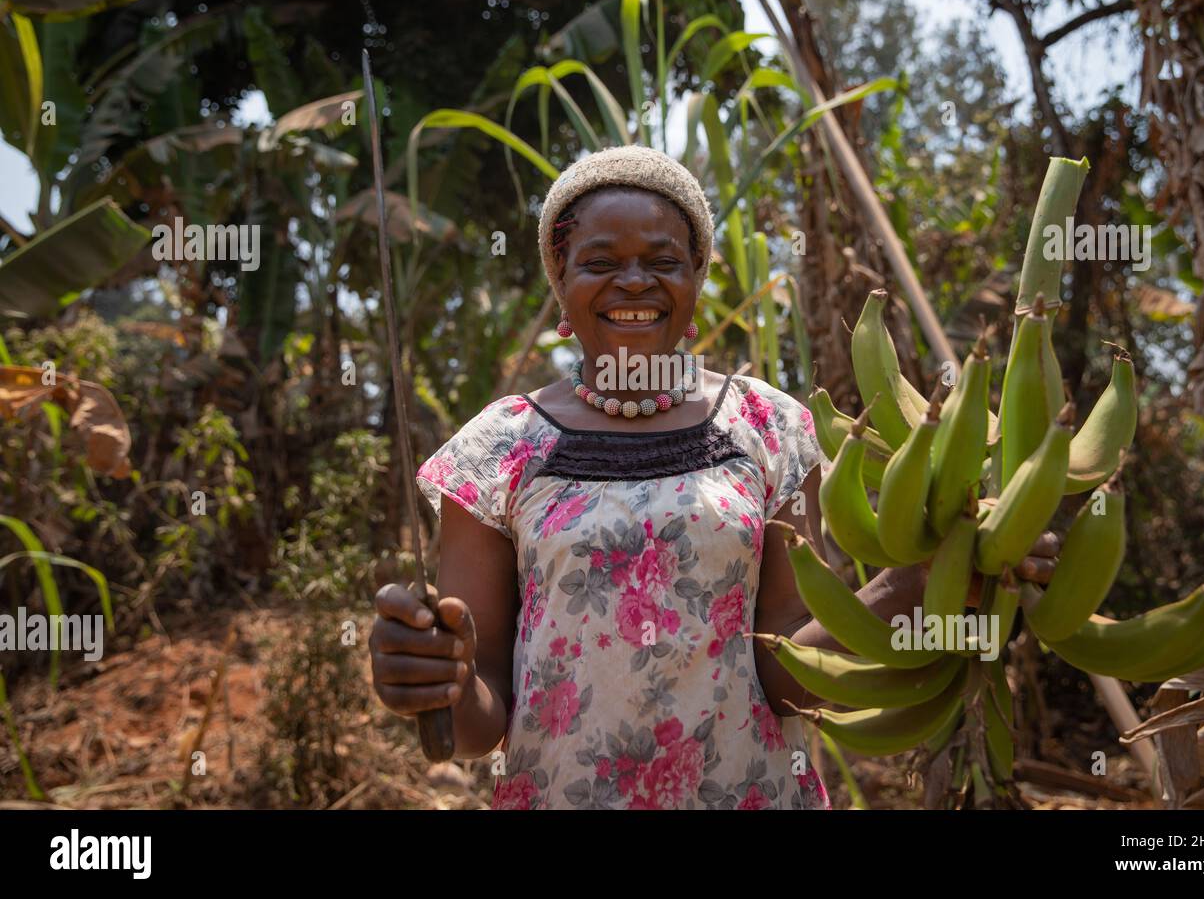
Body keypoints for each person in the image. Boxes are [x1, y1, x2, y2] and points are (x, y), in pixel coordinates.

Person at [368, 145, 1059, 809]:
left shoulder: (768, 425)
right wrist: (439, 681)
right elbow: (478, 720)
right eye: (599, 262)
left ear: (696, 277)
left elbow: (790, 666)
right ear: (561, 278)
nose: (633, 282)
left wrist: (923, 583)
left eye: (663, 261)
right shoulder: (498, 449)